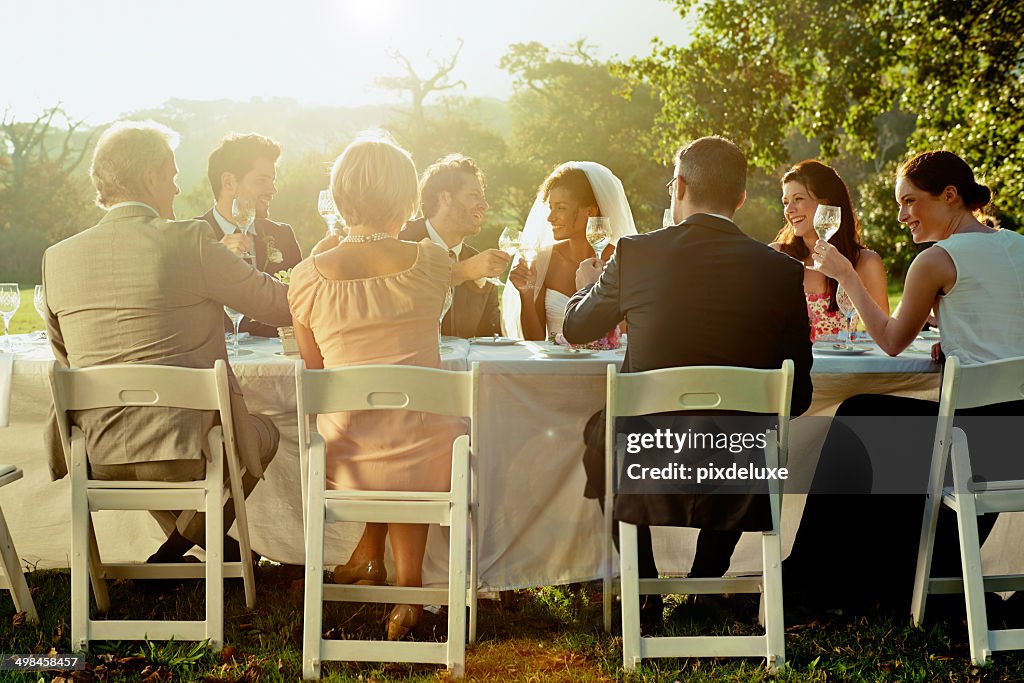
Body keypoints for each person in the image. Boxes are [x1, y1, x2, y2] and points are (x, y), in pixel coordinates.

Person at [562, 136, 813, 629]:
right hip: (740, 465)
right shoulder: (782, 271)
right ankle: (705, 584)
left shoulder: (637, 253)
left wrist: (587, 284)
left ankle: (644, 585)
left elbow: (576, 327)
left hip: (650, 454)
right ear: (740, 199)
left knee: (602, 435)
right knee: (751, 439)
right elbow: (798, 397)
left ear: (678, 187)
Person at [784, 150, 1024, 610]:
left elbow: (892, 341)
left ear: (950, 196)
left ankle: (806, 582)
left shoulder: (937, 259)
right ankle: (876, 575)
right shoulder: (1016, 245)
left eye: (910, 202)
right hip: (1018, 437)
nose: (901, 216)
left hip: (977, 443)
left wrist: (848, 277)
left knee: (860, 414)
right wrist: (955, 340)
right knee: (887, 420)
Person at [42, 120, 291, 563]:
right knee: (266, 432)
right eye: (173, 176)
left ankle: (182, 552)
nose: (177, 189)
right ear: (151, 177)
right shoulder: (189, 241)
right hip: (187, 451)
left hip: (97, 452)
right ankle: (192, 551)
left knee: (151, 446)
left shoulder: (57, 259)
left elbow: (63, 359)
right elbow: (277, 304)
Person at [288, 134, 497, 640]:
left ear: (339, 199)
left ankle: (385, 571)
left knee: (385, 430)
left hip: (344, 462)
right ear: (407, 201)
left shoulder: (305, 279)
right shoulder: (429, 263)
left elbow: (317, 372)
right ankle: (410, 594)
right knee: (413, 433)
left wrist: (328, 244)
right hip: (427, 458)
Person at [502, 162, 637, 340]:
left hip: (607, 365)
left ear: (590, 212)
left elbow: (625, 336)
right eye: (551, 207)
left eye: (561, 208)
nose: (550, 217)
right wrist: (526, 294)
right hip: (555, 366)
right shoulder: (545, 259)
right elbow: (534, 341)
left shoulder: (621, 261)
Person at [199, 133, 303, 337]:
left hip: (279, 360)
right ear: (229, 182)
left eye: (272, 181)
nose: (272, 190)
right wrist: (215, 259)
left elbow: (300, 305)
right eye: (262, 180)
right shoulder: (191, 238)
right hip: (218, 363)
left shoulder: (283, 235)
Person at [772, 160, 888, 339]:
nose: (790, 210)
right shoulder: (776, 257)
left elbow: (885, 334)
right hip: (791, 366)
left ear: (827, 205)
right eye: (786, 202)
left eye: (798, 199)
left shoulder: (866, 262)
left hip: (844, 366)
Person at [400, 154, 507, 338]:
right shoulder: (400, 242)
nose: (485, 205)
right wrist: (463, 271)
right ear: (445, 198)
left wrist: (526, 293)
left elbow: (490, 336)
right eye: (475, 196)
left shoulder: (480, 264)